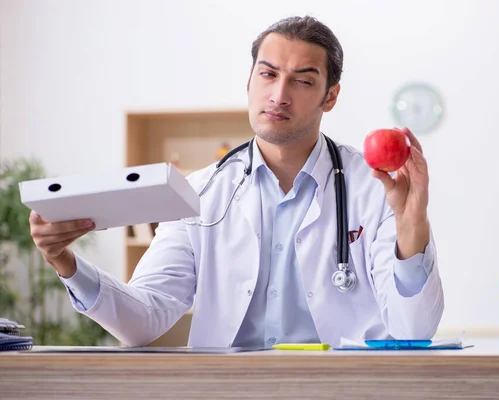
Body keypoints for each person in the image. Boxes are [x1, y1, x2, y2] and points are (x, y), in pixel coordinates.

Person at [29, 16, 443, 348]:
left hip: (342, 392)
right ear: (249, 81)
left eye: (303, 80)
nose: (279, 94)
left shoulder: (374, 189)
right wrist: (65, 263)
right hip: (230, 391)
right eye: (268, 74)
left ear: (329, 96)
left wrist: (413, 229)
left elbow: (414, 331)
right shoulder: (198, 193)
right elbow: (144, 320)